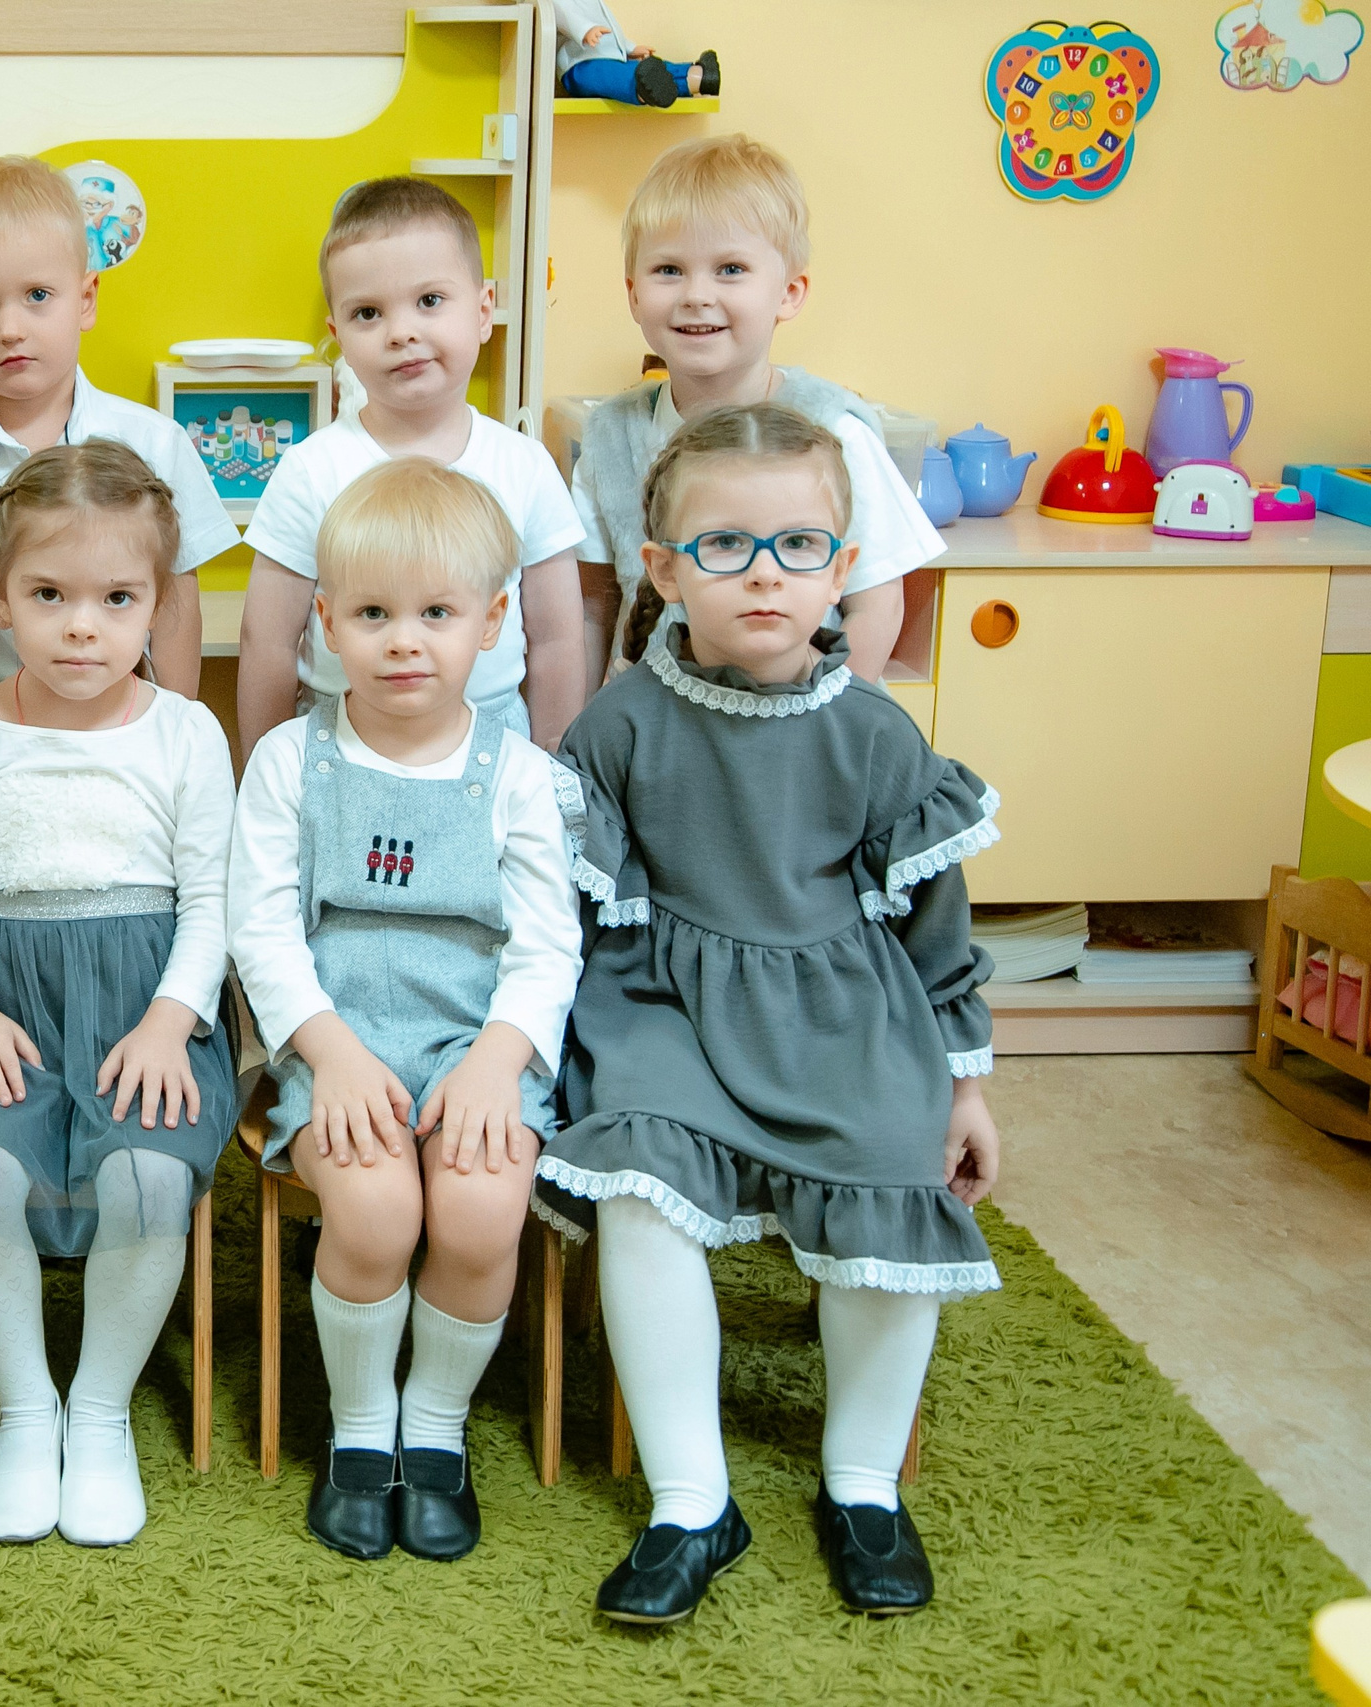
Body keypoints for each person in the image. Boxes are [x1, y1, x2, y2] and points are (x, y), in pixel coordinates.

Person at [537, 402, 1002, 1626]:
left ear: (841, 570)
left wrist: (962, 1083)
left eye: (798, 546)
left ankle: (859, 1484)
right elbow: (571, 916)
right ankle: (690, 1500)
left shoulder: (877, 736)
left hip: (841, 1005)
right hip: (665, 1004)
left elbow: (935, 930)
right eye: (723, 546)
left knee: (896, 1172)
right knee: (636, 1178)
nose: (761, 575)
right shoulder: (620, 724)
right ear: (662, 571)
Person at [228, 457, 581, 1563]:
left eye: (435, 614)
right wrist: (326, 1057)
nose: (403, 641)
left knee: (480, 1217)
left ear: (491, 623)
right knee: (375, 1215)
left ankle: (433, 1428)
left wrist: (497, 1062)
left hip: (479, 1041)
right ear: (323, 623)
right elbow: (263, 930)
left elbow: (544, 943)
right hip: (338, 1037)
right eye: (372, 615)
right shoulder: (293, 759)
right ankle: (360, 1428)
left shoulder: (519, 774)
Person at [0, 443, 238, 1548]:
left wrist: (173, 1023)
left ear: (154, 606)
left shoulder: (187, 733)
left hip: (146, 1008)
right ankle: (25, 1408)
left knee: (144, 1179)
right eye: (49, 597)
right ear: (0, 600)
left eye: (116, 599)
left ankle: (97, 1412)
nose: (81, 626)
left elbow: (213, 899)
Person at [235, 176, 588, 765]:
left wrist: (557, 771)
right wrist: (263, 772)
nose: (401, 332)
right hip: (341, 734)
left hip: (493, 737)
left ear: (482, 311)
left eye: (429, 301)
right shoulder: (311, 470)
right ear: (338, 337)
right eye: (368, 312)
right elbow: (267, 643)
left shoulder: (523, 465)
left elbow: (556, 639)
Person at [569, 133, 937, 680]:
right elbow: (593, 609)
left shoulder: (832, 430)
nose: (696, 294)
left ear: (788, 292)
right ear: (633, 294)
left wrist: (817, 725)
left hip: (792, 734)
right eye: (669, 270)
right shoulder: (610, 436)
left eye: (731, 269)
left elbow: (877, 605)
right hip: (654, 737)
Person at [0, 155, 237, 699]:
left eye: (37, 296)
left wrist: (177, 728)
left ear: (84, 299)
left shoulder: (155, 444)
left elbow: (176, 608)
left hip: (124, 723)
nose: (10, 329)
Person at [551, 3, 717, 108]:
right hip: (578, 64)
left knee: (642, 69)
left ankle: (696, 77)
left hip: (609, 57)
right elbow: (562, 13)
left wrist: (630, 48)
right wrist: (585, 30)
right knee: (615, 76)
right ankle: (642, 91)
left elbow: (612, 31)